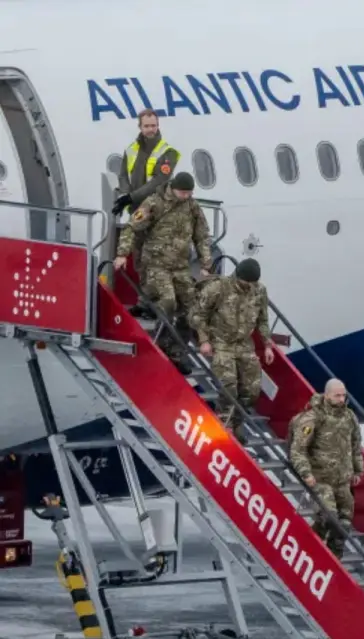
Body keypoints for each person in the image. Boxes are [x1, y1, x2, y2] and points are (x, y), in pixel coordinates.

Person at [113, 172, 210, 372]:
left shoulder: (192, 207)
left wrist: (206, 264)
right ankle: (161, 342)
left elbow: (201, 237)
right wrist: (122, 254)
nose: (185, 196)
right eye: (182, 192)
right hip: (156, 265)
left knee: (191, 310)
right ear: (173, 188)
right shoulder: (154, 203)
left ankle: (175, 351)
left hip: (180, 267)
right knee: (168, 302)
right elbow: (132, 227)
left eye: (189, 193)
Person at [189, 258, 276, 442]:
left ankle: (236, 423)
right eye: (246, 283)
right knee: (228, 386)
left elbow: (263, 320)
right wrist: (204, 340)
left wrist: (267, 344)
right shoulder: (218, 288)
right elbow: (197, 315)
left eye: (253, 283)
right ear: (238, 276)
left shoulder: (259, 291)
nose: (249, 287)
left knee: (252, 390)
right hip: (221, 343)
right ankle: (224, 425)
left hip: (244, 344)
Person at [287, 378, 364, 557]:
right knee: (329, 517)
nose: (341, 399)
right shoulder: (313, 417)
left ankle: (333, 557)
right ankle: (309, 544)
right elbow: (298, 449)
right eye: (337, 395)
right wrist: (305, 473)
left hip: (342, 481)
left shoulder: (349, 416)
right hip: (320, 479)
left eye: (344, 395)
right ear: (327, 395)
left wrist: (358, 470)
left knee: (344, 524)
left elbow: (355, 444)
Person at [113, 109, 180, 216]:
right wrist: (124, 197)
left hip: (158, 210)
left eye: (153, 126)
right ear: (140, 127)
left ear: (158, 126)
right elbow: (123, 175)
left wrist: (131, 197)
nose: (150, 129)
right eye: (146, 126)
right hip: (136, 210)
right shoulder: (131, 150)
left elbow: (158, 181)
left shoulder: (168, 152)